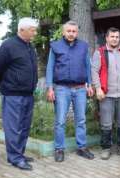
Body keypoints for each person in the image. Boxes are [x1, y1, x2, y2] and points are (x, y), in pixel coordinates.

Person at [0, 18, 38, 171]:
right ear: (22, 30)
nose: (35, 33)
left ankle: (19, 154)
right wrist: (4, 84)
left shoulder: (29, 46)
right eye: (33, 30)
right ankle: (15, 158)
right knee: (13, 127)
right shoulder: (9, 45)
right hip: (13, 94)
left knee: (24, 126)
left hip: (28, 94)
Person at [46, 21, 94, 162]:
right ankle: (59, 149)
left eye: (74, 31)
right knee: (60, 121)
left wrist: (89, 84)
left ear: (77, 33)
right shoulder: (55, 46)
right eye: (69, 31)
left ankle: (81, 148)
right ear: (63, 32)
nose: (71, 33)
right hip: (62, 89)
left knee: (81, 120)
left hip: (80, 89)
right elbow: (50, 67)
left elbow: (87, 66)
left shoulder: (83, 46)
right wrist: (50, 87)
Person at [91, 27, 120, 160]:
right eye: (112, 36)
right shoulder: (100, 53)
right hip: (106, 94)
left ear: (119, 38)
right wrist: (98, 88)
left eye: (117, 37)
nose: (115, 39)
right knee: (106, 123)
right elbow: (94, 72)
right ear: (107, 38)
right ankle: (106, 148)